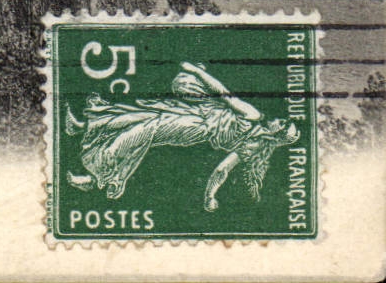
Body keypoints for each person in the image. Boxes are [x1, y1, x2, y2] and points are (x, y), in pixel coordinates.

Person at [64, 62, 299, 211]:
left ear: (276, 134)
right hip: (196, 112)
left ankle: (96, 177)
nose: (279, 119)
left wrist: (196, 72)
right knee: (143, 114)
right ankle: (83, 127)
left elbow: (224, 95)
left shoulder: (253, 122)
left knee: (146, 128)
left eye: (282, 124)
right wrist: (209, 197)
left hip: (195, 126)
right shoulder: (253, 135)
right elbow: (222, 169)